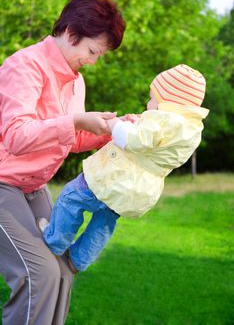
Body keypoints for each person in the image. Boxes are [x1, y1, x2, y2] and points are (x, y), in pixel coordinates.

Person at [0, 0, 125, 325]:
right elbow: (16, 136)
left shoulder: (76, 81)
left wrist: (115, 130)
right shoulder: (24, 66)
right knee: (38, 274)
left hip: (34, 187)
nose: (93, 61)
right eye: (92, 51)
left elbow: (71, 138)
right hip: (3, 183)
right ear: (71, 33)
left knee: (62, 268)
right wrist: (74, 120)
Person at [38, 64, 209, 274]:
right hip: (137, 190)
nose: (148, 103)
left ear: (168, 101)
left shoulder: (163, 118)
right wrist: (138, 124)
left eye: (152, 98)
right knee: (104, 221)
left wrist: (113, 125)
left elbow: (131, 140)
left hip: (114, 178)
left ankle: (55, 241)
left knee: (71, 197)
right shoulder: (190, 129)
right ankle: (78, 260)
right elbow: (154, 145)